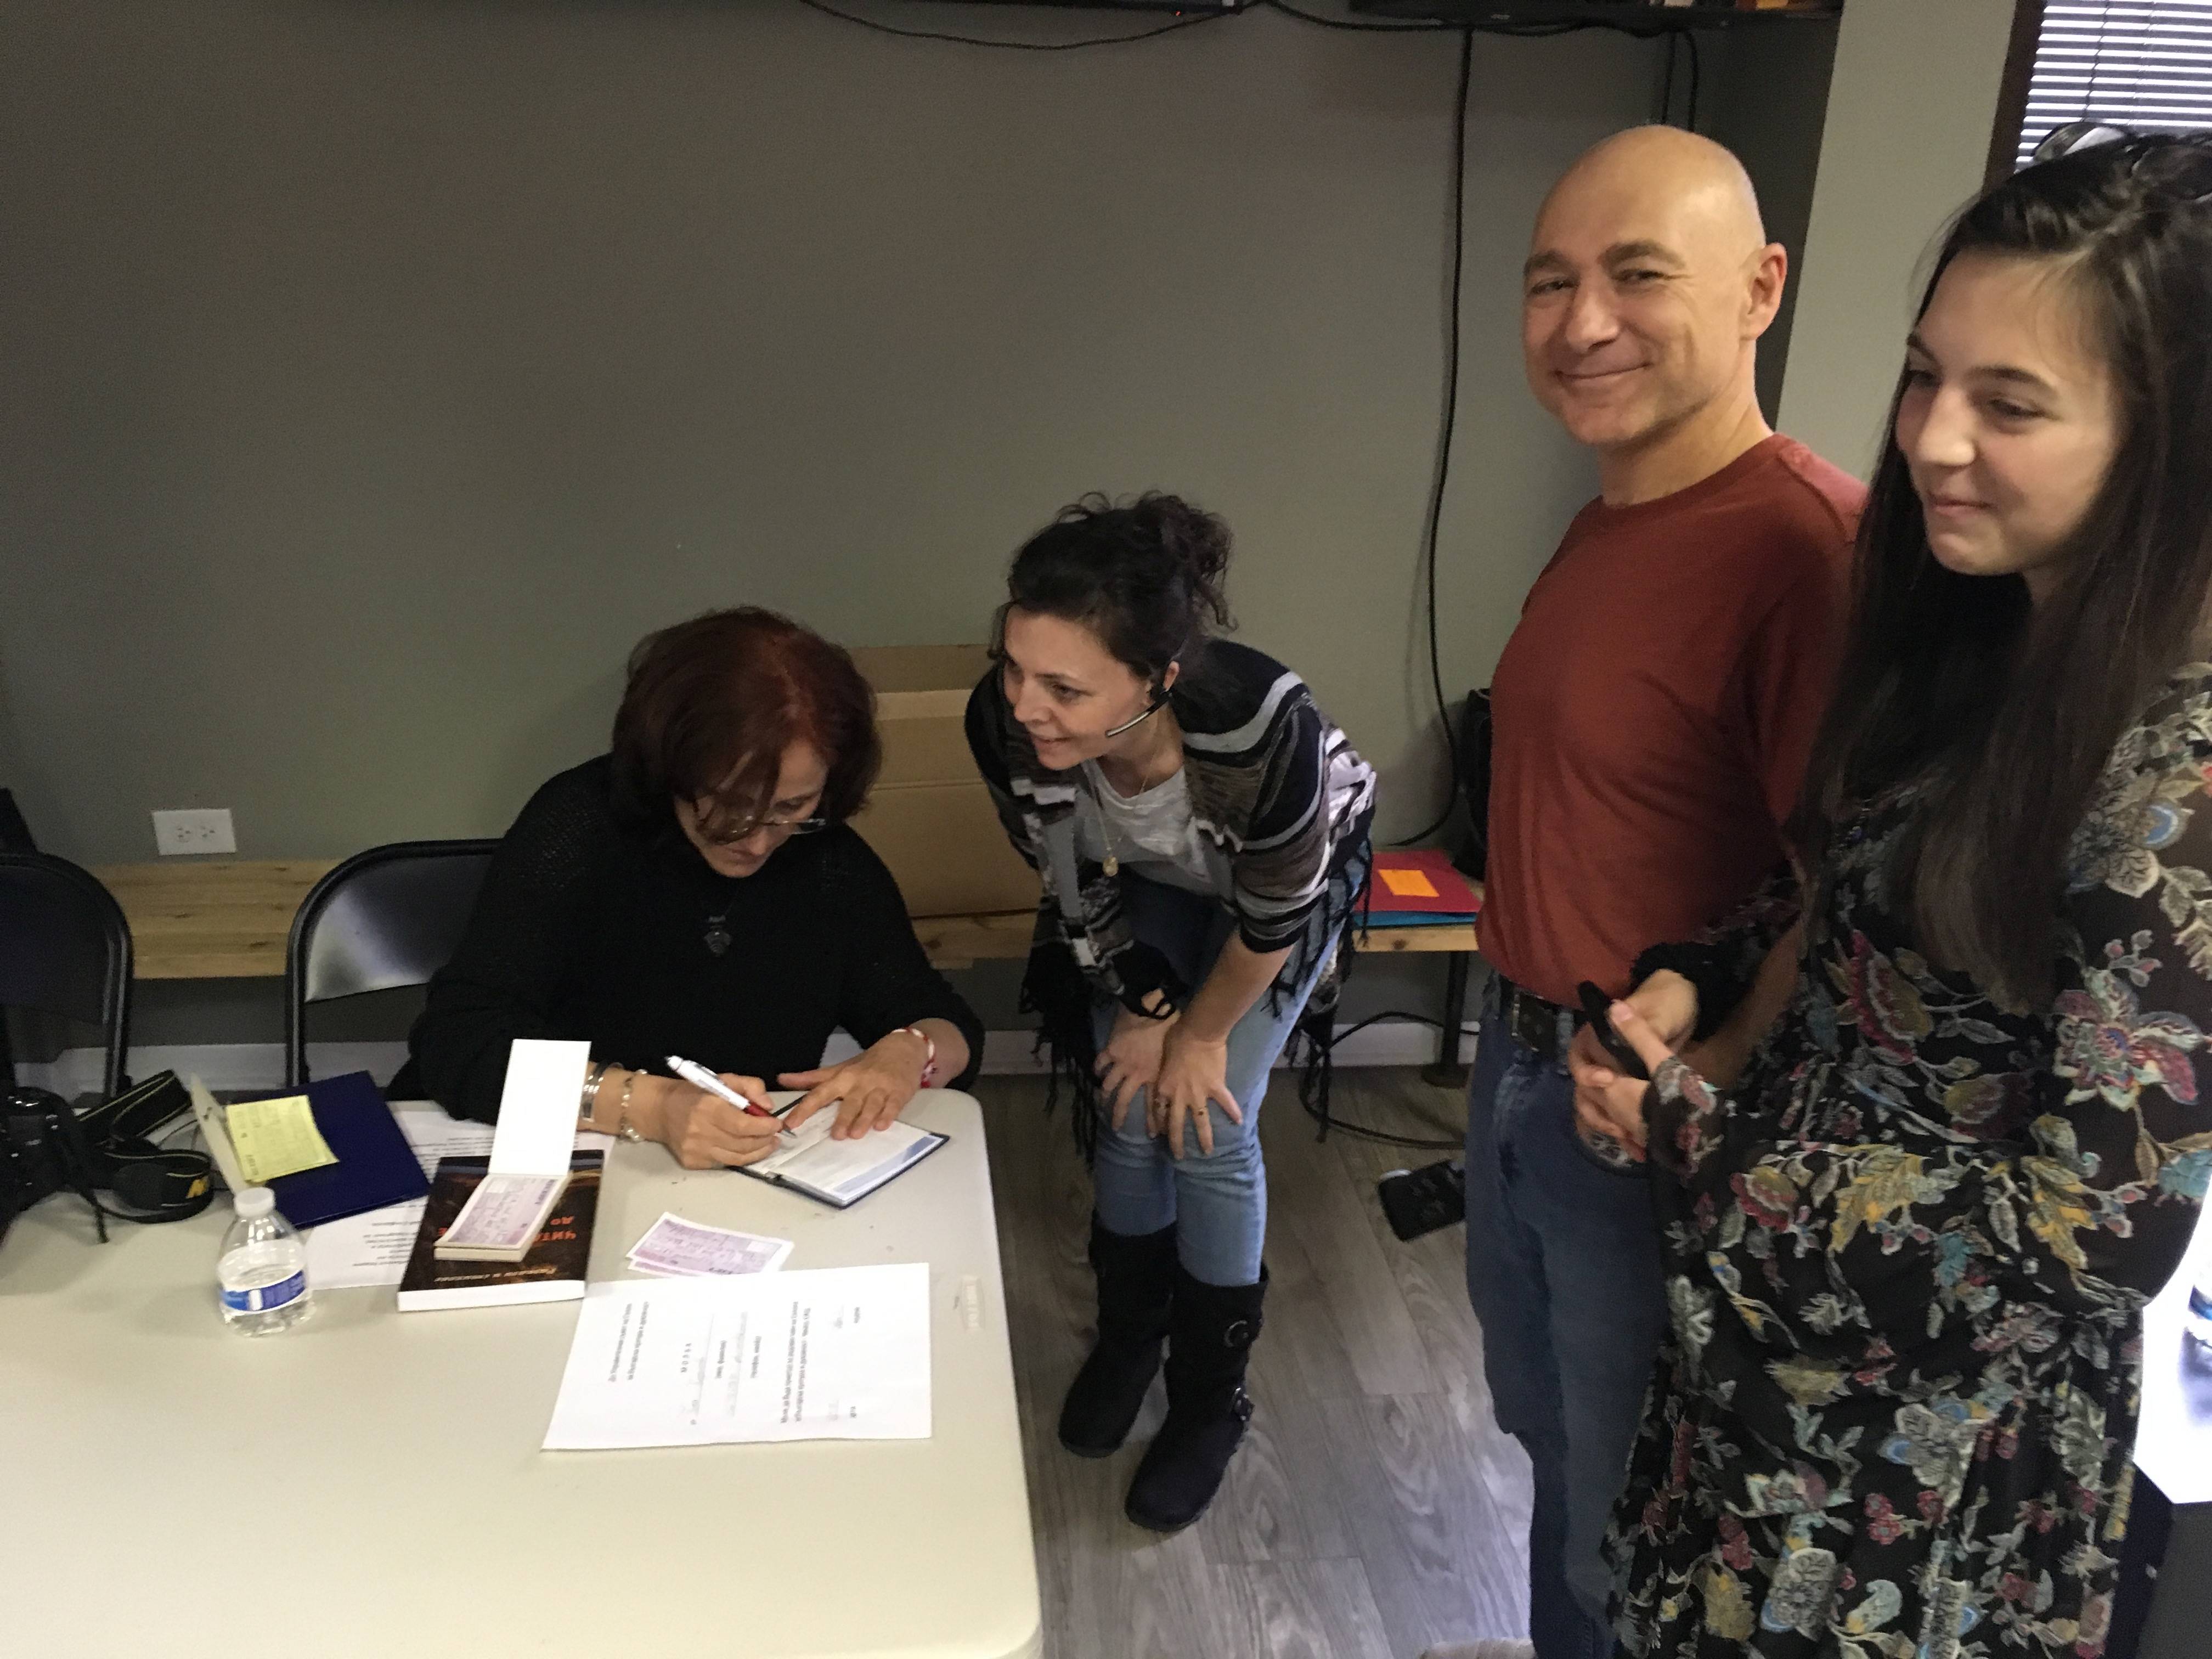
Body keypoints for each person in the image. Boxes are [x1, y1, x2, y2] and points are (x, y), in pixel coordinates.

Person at [1573, 129, 2212, 1658]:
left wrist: (1695, 1134)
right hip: (1771, 1360)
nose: (1933, 439)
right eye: (1927, 377)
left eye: (2011, 404)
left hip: (1918, 1463)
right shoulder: (1990, 642)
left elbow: (2087, 1235)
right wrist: (1700, 974)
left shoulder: (2178, 781)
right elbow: (1868, 894)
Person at [1465, 126, 1864, 1659]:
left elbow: (1853, 905)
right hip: (1520, 1066)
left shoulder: (1807, 553)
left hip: (1644, 1136)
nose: (1582, 324)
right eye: (1549, 283)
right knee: (1551, 1454)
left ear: (1761, 288)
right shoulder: (1610, 520)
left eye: (1638, 276)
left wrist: (1704, 1077)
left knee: (1627, 1536)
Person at [966, 493, 1375, 1533]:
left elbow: (1272, 914)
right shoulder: (1002, 722)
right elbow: (1068, 879)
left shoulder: (1262, 728)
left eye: (1064, 687)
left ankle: (1207, 1399)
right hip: (1147, 873)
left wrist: (1197, 1033)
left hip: (1276, 892)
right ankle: (1128, 1337)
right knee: (1126, 1096)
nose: (1025, 706)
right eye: (1014, 668)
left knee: (1209, 1121)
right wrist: (1142, 1003)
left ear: (1158, 681)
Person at [400, 606, 983, 1156]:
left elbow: (943, 1020)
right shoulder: (580, 829)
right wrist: (653, 1107)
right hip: (546, 1153)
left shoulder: (828, 862)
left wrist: (913, 1051)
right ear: (672, 767)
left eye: (791, 807)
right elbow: (459, 1042)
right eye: (728, 804)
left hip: (720, 1177)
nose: (757, 841)